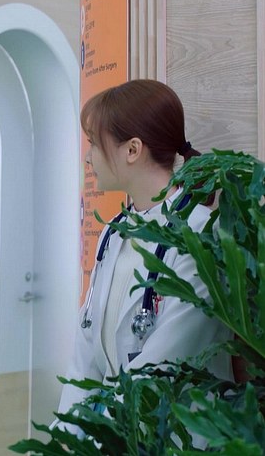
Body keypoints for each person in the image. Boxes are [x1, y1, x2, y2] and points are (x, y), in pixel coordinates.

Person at [58, 79, 233, 423]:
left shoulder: (198, 237)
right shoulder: (113, 232)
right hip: (113, 428)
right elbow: (85, 353)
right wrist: (68, 430)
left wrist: (96, 437)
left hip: (174, 432)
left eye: (94, 143)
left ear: (132, 150)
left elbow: (159, 371)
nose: (88, 157)